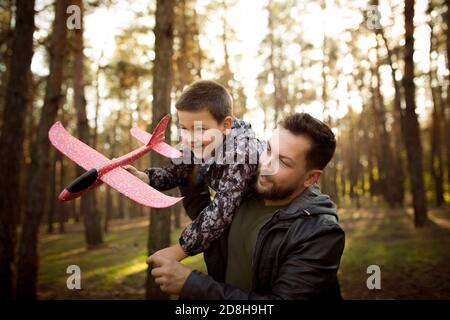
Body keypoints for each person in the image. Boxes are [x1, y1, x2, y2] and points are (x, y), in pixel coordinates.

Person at [148, 113, 346, 299]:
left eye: (283, 162)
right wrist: (187, 172)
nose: (266, 165)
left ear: (311, 177)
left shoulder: (320, 233)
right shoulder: (246, 185)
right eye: (268, 150)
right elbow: (209, 217)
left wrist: (192, 285)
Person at [124, 80, 263, 262]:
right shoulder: (196, 144)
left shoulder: (242, 152)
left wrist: (180, 249)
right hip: (235, 220)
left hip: (265, 222)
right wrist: (145, 177)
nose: (190, 138)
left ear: (226, 125)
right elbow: (175, 173)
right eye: (184, 129)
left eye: (200, 129)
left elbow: (222, 209)